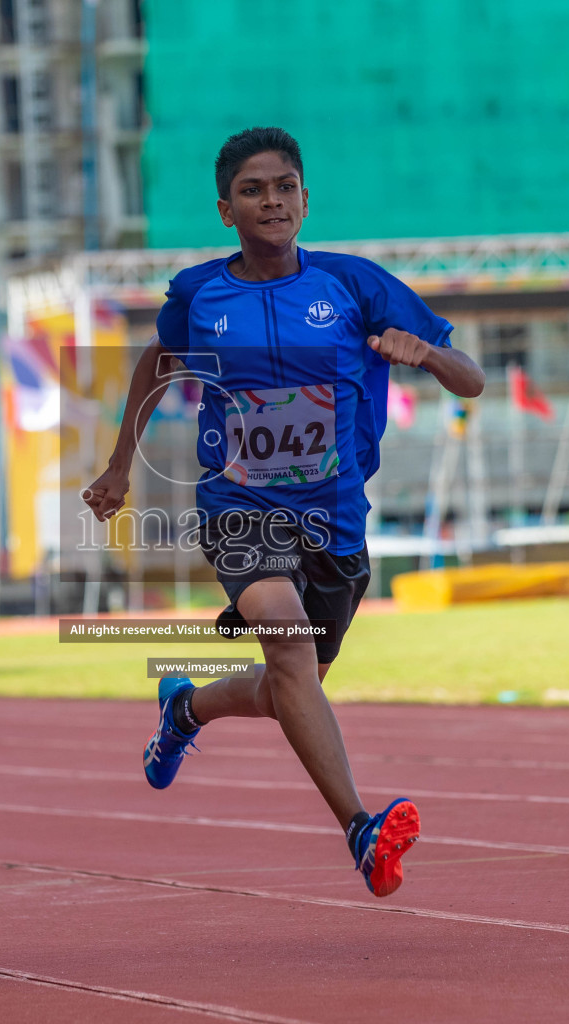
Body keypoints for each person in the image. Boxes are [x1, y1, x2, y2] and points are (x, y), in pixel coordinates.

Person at [84, 127, 485, 898]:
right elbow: (158, 363)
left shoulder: (355, 286)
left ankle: (186, 707)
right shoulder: (200, 293)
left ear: (306, 198)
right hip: (238, 507)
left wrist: (426, 354)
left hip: (333, 518)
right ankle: (360, 829)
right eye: (252, 190)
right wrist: (117, 465)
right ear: (225, 209)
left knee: (287, 684)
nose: (271, 200)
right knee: (288, 650)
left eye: (284, 186)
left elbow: (470, 381)